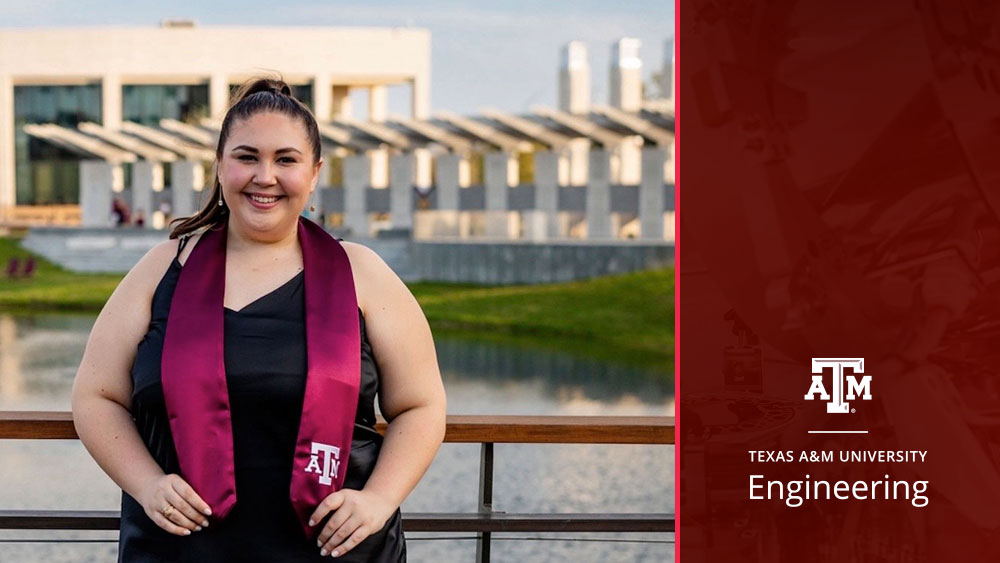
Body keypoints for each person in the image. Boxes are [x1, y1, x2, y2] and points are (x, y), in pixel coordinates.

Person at [72, 78, 447, 562]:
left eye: (285, 160)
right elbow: (95, 395)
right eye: (246, 157)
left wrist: (378, 499)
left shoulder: (362, 274)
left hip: (335, 548)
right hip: (182, 548)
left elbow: (421, 406)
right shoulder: (161, 270)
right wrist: (146, 483)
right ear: (220, 167)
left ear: (314, 174)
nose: (264, 176)